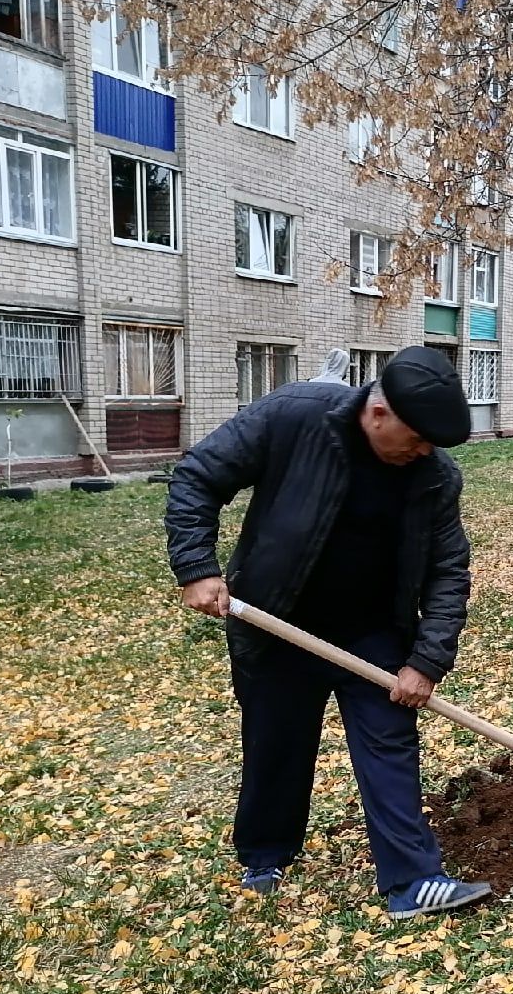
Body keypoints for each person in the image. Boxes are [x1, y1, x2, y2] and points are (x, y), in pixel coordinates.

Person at [164, 348, 492, 919]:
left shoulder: (434, 476)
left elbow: (448, 570)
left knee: (390, 744)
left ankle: (414, 880)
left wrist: (426, 660)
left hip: (374, 630)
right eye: (416, 438)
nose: (423, 451)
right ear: (379, 412)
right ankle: (265, 854)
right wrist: (197, 567)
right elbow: (197, 478)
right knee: (276, 742)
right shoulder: (292, 417)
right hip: (277, 621)